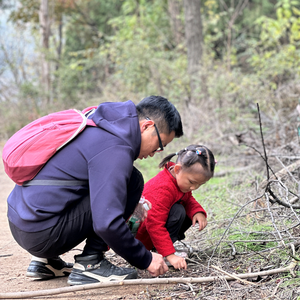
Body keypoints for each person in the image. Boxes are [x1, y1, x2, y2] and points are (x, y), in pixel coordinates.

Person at [6, 95, 183, 285]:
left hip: (22, 222)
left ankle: (45, 262)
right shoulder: (116, 148)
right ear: (146, 126)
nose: (156, 152)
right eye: (160, 144)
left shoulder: (99, 120)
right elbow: (107, 223)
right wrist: (145, 258)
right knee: (133, 181)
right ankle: (91, 264)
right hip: (41, 233)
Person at [135, 144, 216, 270]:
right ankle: (161, 253)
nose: (194, 188)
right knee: (178, 211)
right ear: (177, 169)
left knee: (187, 212)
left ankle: (162, 249)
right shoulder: (163, 188)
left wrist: (197, 211)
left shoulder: (179, 182)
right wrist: (170, 255)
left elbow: (187, 198)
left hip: (152, 231)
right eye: (192, 182)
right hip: (141, 237)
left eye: (200, 184)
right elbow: (154, 224)